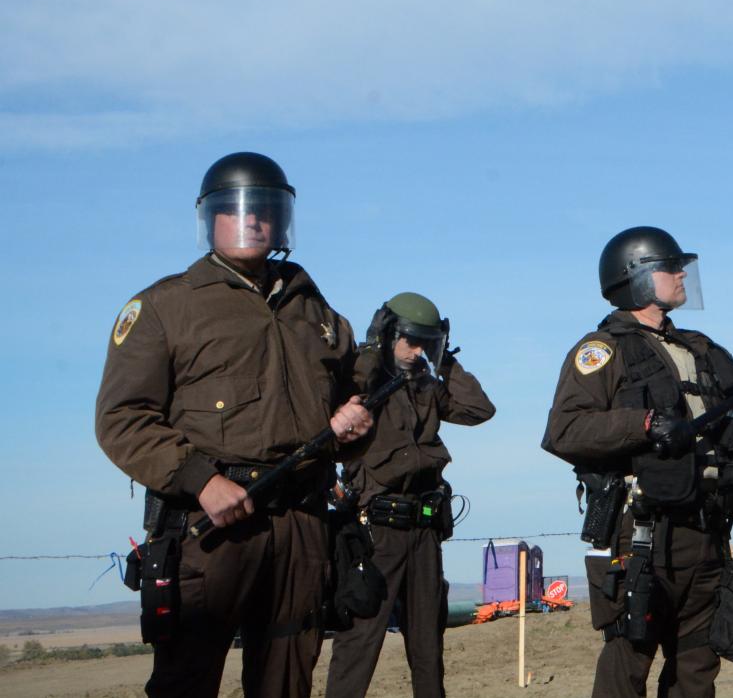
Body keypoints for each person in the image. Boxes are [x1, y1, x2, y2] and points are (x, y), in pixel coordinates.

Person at [95, 152, 374, 698]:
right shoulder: (164, 307)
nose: (251, 219)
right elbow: (121, 418)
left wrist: (354, 423)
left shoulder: (318, 316)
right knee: (186, 680)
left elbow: (349, 405)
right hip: (211, 527)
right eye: (236, 208)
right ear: (210, 219)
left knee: (287, 681)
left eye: (264, 208)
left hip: (301, 523)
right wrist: (200, 480)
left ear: (281, 218)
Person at [542, 226, 733, 698]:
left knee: (697, 667)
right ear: (636, 277)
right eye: (670, 267)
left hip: (707, 530)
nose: (681, 275)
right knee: (627, 663)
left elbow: (732, 442)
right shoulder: (602, 351)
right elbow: (564, 431)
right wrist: (644, 424)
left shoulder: (701, 350)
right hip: (642, 536)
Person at [325, 292, 496, 698]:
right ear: (388, 334)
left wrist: (444, 361)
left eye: (427, 342)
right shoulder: (359, 373)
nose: (417, 351)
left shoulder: (425, 382)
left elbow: (478, 410)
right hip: (375, 530)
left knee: (427, 644)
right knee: (360, 638)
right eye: (411, 341)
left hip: (425, 529)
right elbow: (324, 424)